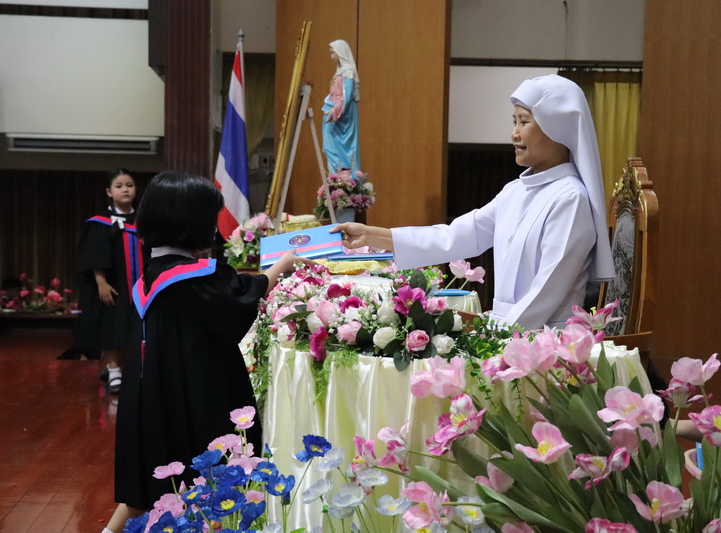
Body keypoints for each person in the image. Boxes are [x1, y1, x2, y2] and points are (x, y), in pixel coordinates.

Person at [103, 172, 309, 533]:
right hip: (196, 394)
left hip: (151, 396)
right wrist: (282, 266)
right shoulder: (193, 276)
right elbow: (240, 298)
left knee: (152, 478)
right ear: (190, 223)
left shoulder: (151, 275)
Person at [334, 74, 615, 331]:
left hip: (547, 339)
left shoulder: (571, 198)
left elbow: (547, 292)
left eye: (524, 122)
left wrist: (495, 339)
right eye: (514, 122)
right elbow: (453, 237)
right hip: (505, 332)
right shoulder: (515, 191)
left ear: (558, 129)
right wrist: (371, 235)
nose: (514, 134)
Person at [73, 169, 143, 394]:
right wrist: (101, 283)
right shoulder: (100, 223)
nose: (125, 190)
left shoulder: (144, 222)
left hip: (141, 287)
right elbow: (94, 255)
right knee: (114, 326)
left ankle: (128, 369)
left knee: (137, 329)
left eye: (130, 185)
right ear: (109, 192)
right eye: (119, 186)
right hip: (114, 286)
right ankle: (114, 371)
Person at [322, 39, 361, 175]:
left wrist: (334, 111)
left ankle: (344, 177)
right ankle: (335, 176)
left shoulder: (348, 72)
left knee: (339, 148)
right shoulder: (341, 71)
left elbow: (347, 96)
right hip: (334, 113)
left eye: (333, 53)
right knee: (329, 146)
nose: (331, 56)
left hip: (341, 116)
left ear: (340, 53)